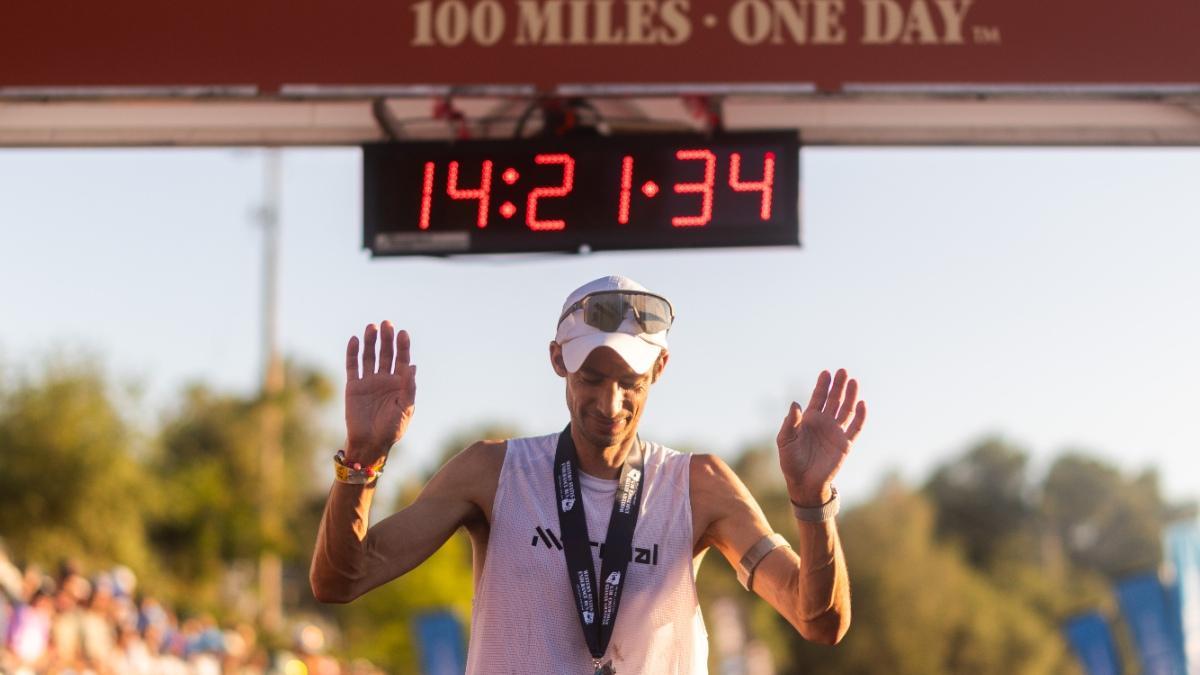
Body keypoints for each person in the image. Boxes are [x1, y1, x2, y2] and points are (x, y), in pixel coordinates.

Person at [311, 275, 867, 674]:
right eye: (591, 378)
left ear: (661, 368)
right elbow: (341, 580)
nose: (611, 402)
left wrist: (813, 504)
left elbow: (817, 620)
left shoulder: (697, 486)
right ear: (558, 361)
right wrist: (362, 460)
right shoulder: (492, 471)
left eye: (632, 381)